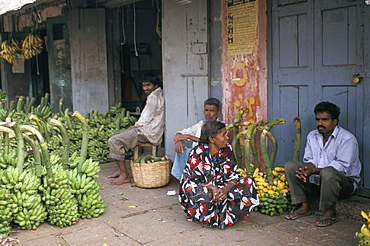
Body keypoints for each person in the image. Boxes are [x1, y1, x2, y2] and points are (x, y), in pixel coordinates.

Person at [284, 101, 361, 227]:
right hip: (318, 182)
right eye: (318, 119)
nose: (320, 123)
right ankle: (304, 206)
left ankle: (330, 211)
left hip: (343, 185)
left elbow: (342, 167)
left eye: (324, 120)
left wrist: (313, 170)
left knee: (328, 172)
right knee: (291, 166)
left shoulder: (347, 139)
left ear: (334, 121)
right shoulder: (312, 136)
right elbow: (309, 159)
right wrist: (308, 167)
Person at [179, 120, 259, 229]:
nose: (227, 138)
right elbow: (192, 180)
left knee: (249, 182)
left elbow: (234, 175)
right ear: (212, 139)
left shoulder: (228, 149)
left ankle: (225, 216)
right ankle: (199, 213)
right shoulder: (198, 152)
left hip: (222, 188)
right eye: (223, 135)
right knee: (198, 190)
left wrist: (225, 189)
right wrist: (212, 187)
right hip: (204, 188)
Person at [107, 72, 164, 185]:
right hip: (150, 131)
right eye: (143, 85)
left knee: (114, 140)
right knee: (116, 136)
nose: (145, 88)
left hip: (147, 132)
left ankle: (124, 175)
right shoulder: (159, 94)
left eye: (148, 85)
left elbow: (146, 117)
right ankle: (121, 170)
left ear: (156, 85)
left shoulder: (153, 97)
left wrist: (136, 126)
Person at [171, 98, 221, 180]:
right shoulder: (201, 124)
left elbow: (212, 142)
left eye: (211, 111)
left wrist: (190, 137)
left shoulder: (221, 126)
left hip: (210, 155)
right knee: (183, 144)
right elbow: (181, 132)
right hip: (196, 153)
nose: (208, 114)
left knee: (192, 151)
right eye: (206, 110)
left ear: (218, 112)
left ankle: (187, 177)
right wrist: (179, 140)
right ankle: (182, 177)